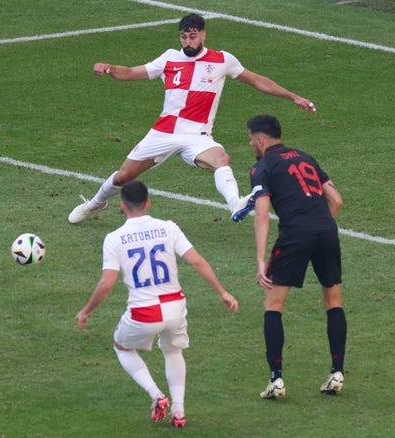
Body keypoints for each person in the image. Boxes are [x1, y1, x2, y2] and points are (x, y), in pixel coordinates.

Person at [68, 13, 316, 225]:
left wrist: (293, 96)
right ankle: (95, 204)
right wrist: (110, 68)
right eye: (184, 37)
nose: (188, 42)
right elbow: (132, 72)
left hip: (198, 135)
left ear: (203, 35)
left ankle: (236, 204)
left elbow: (257, 80)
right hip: (164, 132)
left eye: (193, 36)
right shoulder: (169, 59)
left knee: (221, 158)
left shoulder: (222, 60)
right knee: (123, 177)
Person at [75, 181, 239, 427]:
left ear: (122, 206)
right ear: (148, 202)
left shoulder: (114, 238)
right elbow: (197, 261)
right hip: (175, 307)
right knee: (173, 351)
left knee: (122, 347)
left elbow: (106, 283)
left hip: (144, 312)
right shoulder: (168, 228)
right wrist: (222, 291)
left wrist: (86, 310)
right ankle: (179, 411)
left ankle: (156, 395)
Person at [243, 114, 346, 399]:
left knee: (273, 304)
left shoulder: (262, 166)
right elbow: (336, 200)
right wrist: (320, 225)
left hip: (295, 234)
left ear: (260, 139)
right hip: (326, 230)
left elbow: (262, 214)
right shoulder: (306, 157)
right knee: (333, 300)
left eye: (251, 139)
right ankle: (337, 372)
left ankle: (276, 379)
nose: (251, 143)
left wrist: (261, 260)